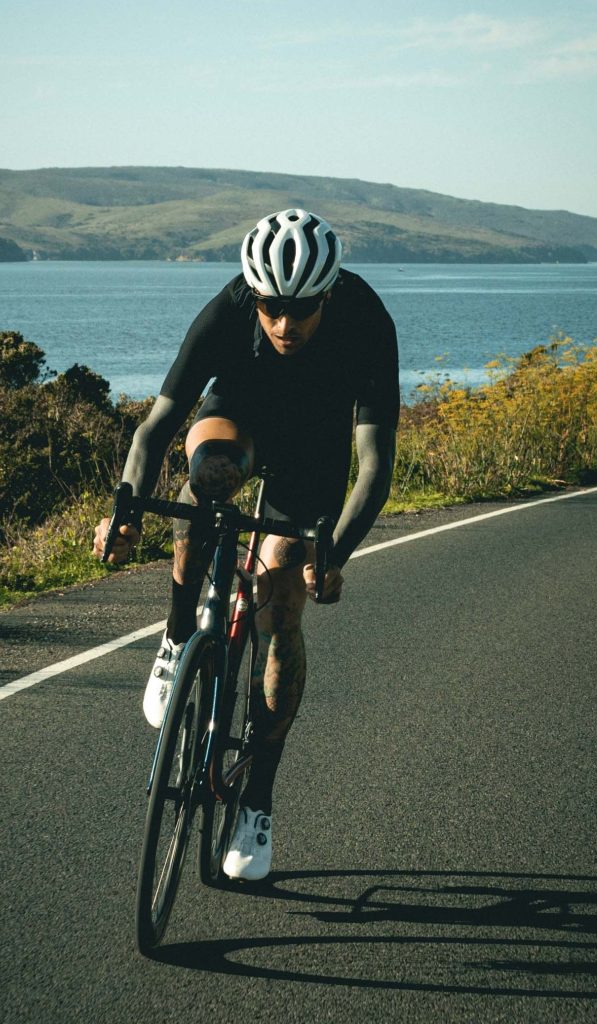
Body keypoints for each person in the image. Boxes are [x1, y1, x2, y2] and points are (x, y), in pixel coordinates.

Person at [93, 209, 399, 881]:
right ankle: (178, 637)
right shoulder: (227, 310)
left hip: (313, 453)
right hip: (239, 419)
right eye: (271, 306)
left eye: (302, 308)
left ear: (328, 295)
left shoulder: (366, 321)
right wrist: (122, 511)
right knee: (205, 479)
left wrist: (333, 555)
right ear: (252, 294)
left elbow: (373, 466)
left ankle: (256, 803)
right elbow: (154, 430)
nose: (285, 324)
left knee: (280, 608)